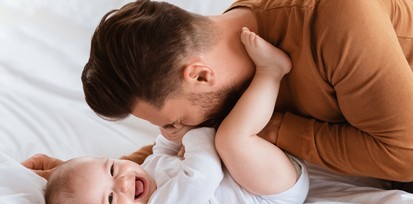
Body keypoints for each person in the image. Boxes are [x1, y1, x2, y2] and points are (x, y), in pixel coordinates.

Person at [27, 0, 413, 190]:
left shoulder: (334, 17)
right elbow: (190, 142)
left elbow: (407, 155)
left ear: (200, 75)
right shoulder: (223, 69)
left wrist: (269, 129)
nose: (173, 131)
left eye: (170, 121)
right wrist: (99, 174)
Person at [41, 29, 309, 204]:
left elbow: (163, 152)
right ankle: (270, 73)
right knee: (230, 138)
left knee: (226, 136)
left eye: (112, 169)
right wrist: (190, 137)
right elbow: (203, 173)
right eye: (110, 199)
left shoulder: (145, 174)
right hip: (271, 193)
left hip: (256, 171)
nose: (122, 182)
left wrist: (171, 137)